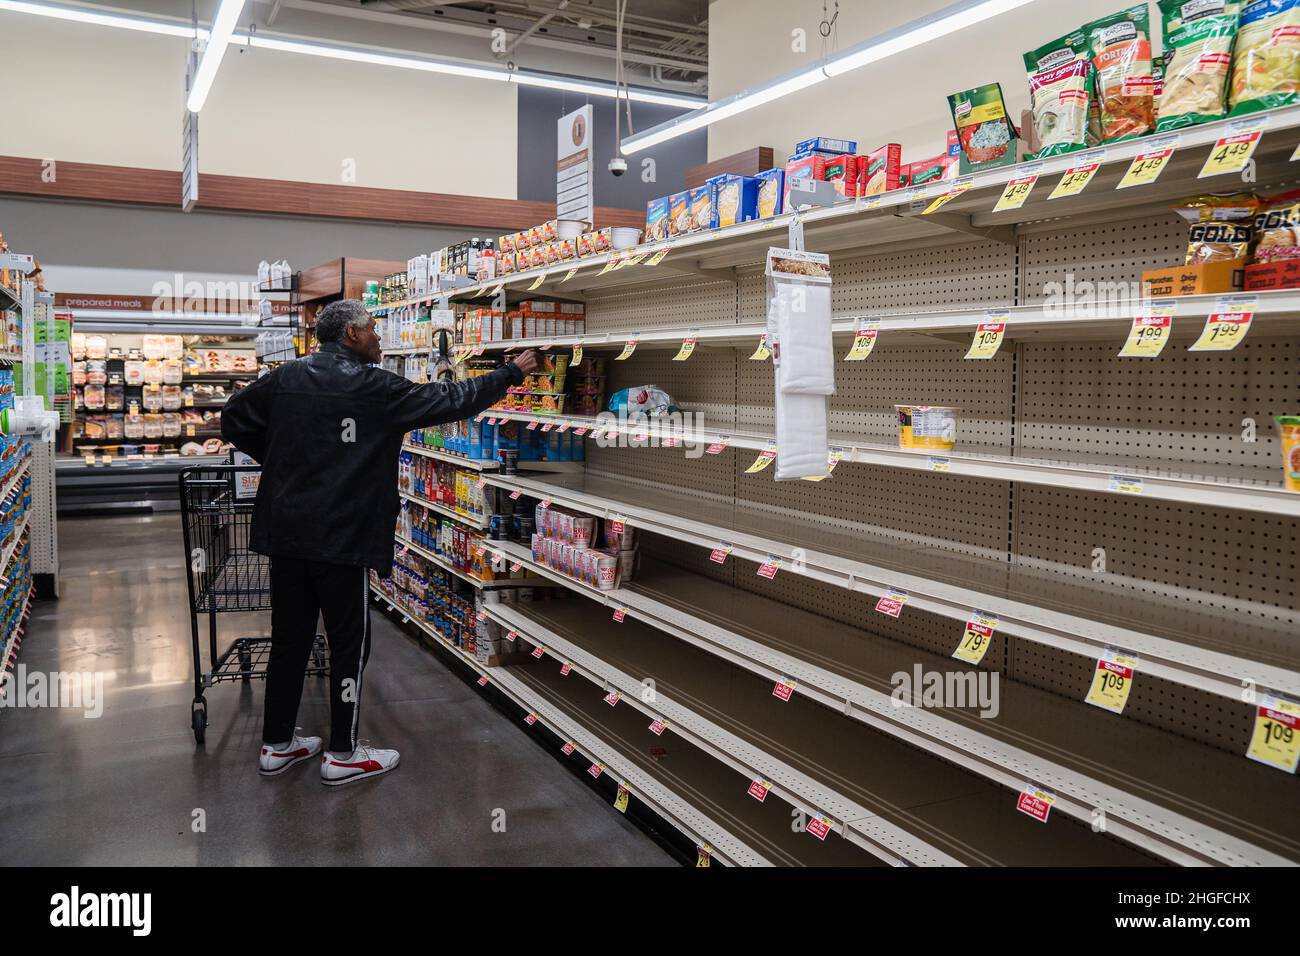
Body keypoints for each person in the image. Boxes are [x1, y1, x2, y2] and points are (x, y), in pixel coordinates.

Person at [222, 299, 538, 786]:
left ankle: (277, 744)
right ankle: (344, 752)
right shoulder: (374, 387)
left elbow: (234, 418)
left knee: (290, 640)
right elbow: (450, 400)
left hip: (286, 533)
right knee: (349, 646)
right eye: (371, 330)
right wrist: (508, 372)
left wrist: (286, 457)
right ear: (350, 333)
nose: (378, 338)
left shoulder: (284, 377)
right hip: (342, 535)